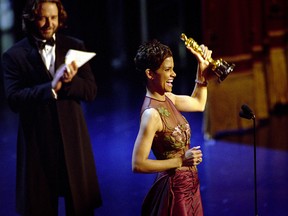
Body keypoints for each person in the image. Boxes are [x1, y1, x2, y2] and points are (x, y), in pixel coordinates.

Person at [1, 0, 102, 215]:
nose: (49, 23)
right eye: (42, 18)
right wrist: (51, 87)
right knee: (39, 206)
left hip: (73, 141)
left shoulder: (75, 46)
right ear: (31, 19)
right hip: (37, 144)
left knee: (80, 206)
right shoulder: (13, 55)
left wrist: (70, 82)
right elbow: (14, 99)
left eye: (53, 17)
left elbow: (91, 91)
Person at [132, 39, 212, 216]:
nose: (174, 74)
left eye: (173, 68)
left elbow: (199, 103)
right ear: (150, 74)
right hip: (174, 192)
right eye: (167, 70)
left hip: (191, 187)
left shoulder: (168, 97)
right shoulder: (151, 114)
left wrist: (201, 66)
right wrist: (181, 161)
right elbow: (138, 164)